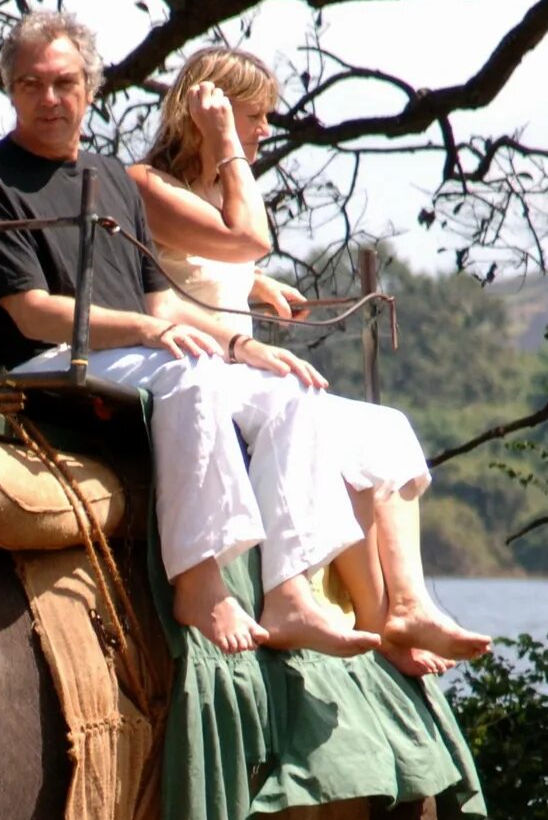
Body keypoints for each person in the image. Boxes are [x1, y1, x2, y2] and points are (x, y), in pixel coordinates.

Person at [0, 11, 484, 663]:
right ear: (11, 91)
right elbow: (32, 313)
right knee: (191, 375)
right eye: (32, 84)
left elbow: (161, 298)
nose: (50, 98)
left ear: (89, 88)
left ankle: (288, 590)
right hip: (44, 361)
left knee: (291, 391)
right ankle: (199, 580)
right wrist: (152, 330)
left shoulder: (112, 177)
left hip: (128, 352)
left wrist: (243, 346)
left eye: (64, 82)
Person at [129, 46, 488, 668]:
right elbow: (245, 237)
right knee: (303, 400)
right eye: (255, 115)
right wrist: (227, 145)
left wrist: (254, 282)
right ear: (208, 109)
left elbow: (224, 254)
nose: (265, 131)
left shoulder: (213, 189)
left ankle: (399, 610)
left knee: (390, 430)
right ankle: (288, 595)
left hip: (235, 365)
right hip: (203, 368)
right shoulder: (147, 184)